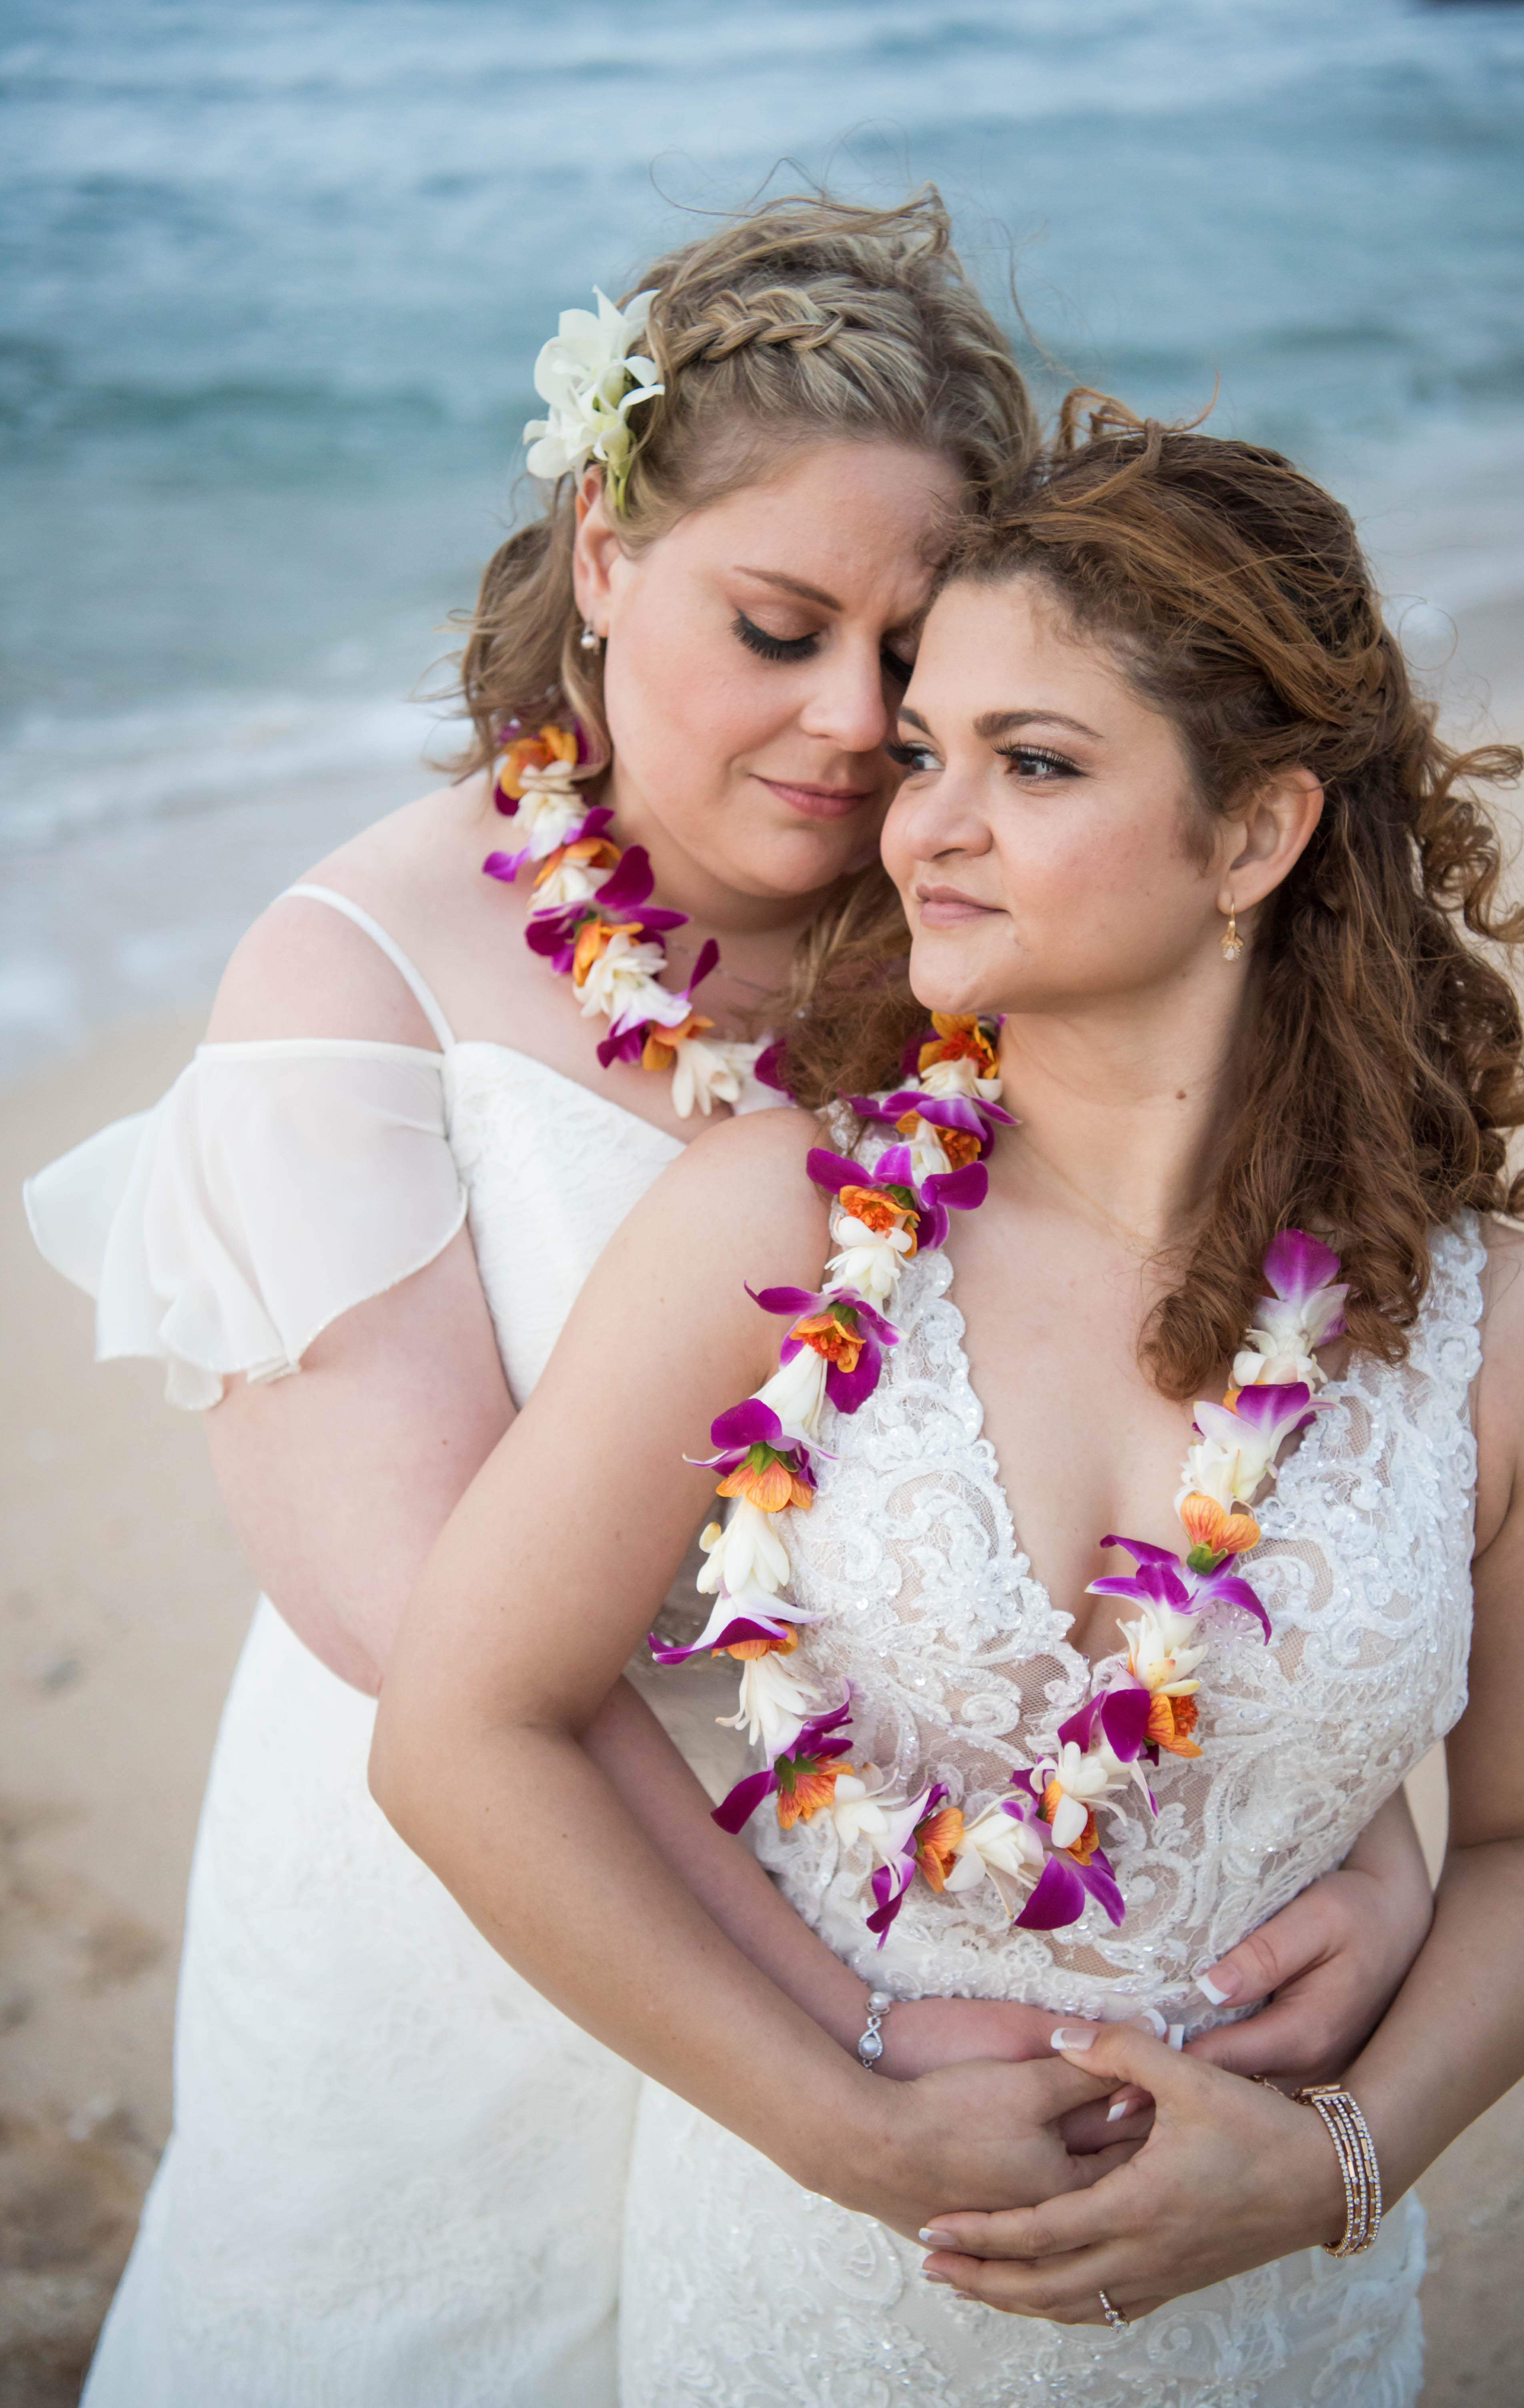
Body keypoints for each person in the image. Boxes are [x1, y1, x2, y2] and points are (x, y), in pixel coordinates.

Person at [28, 187, 1429, 2402]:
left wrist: (1354, 1827)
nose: (856, 725)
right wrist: (856, 2049)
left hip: (946, 1906)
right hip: (512, 1942)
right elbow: (448, 1664)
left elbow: (1191, 1399)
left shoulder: (978, 923)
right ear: (604, 553)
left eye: (912, 653)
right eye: (776, 629)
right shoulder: (352, 986)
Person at [372, 395, 1524, 2406]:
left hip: (1274, 2331)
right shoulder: (778, 1224)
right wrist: (842, 2121)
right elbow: (457, 1730)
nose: (920, 823)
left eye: (1029, 763)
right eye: (924, 751)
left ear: (1254, 832)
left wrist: (1336, 2163)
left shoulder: (1499, 1332)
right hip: (810, 2301)